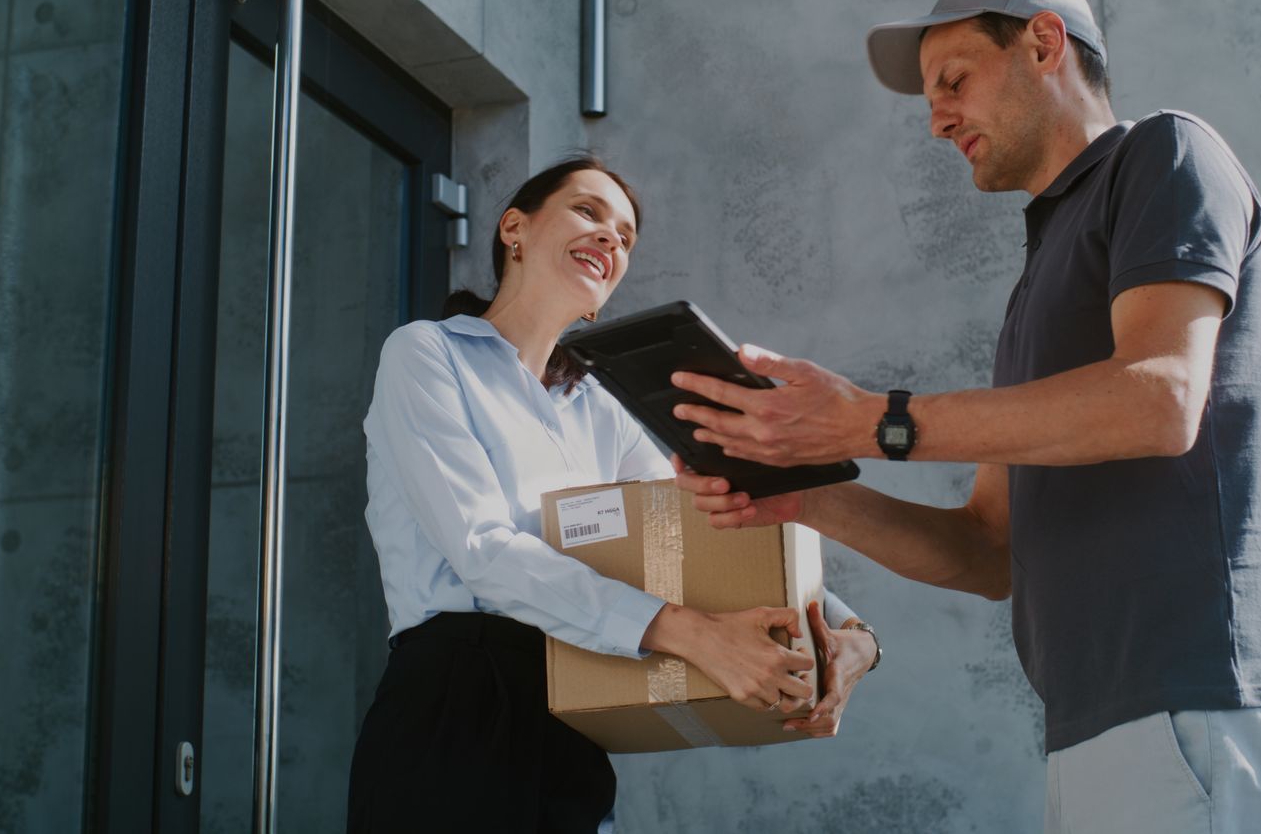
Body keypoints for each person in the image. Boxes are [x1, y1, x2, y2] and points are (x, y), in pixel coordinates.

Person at [667, 0, 1261, 834]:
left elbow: (1162, 399)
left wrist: (869, 418)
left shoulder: (1165, 154)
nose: (938, 117)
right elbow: (991, 549)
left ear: (1044, 43)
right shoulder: (1036, 287)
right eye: (930, 99)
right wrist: (806, 492)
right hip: (1098, 721)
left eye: (954, 81)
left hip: (1201, 690)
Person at [347, 154, 880, 833]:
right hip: (455, 702)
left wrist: (848, 633)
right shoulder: (425, 354)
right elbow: (485, 551)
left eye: (625, 236)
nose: (610, 238)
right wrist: (694, 635)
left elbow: (715, 519)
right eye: (588, 211)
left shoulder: (599, 408)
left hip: (575, 702)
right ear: (515, 228)